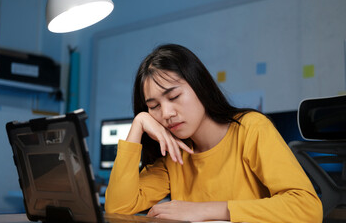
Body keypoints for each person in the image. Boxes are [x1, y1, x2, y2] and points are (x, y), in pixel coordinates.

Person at [105, 44, 323, 222]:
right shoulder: (174, 153)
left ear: (199, 85)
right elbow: (118, 208)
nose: (166, 113)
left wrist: (205, 210)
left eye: (173, 97)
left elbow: (307, 208)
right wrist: (138, 123)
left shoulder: (250, 128)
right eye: (154, 106)